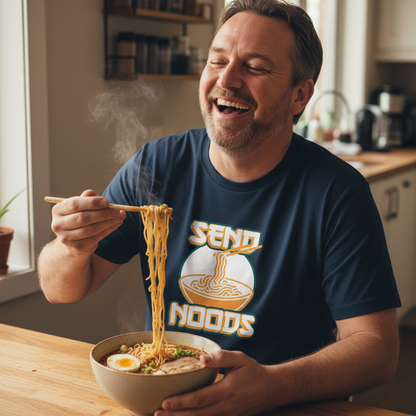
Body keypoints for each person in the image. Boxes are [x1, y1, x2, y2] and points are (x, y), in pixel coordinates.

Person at [38, 0, 401, 415]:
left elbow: (377, 349)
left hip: (284, 404)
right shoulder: (156, 166)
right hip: (165, 397)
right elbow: (60, 289)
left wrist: (273, 385)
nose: (227, 79)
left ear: (299, 95)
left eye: (256, 67)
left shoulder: (337, 192)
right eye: (218, 60)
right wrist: (71, 247)